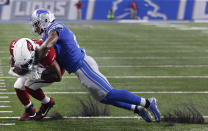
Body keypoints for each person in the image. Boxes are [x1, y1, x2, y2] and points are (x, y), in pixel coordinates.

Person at [30, 9, 160, 122]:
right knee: (103, 98)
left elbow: (48, 45)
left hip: (83, 66)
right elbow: (47, 52)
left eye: (36, 24)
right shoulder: (47, 35)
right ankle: (137, 109)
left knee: (109, 93)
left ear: (44, 20)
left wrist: (36, 59)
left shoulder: (56, 27)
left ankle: (148, 102)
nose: (35, 28)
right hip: (80, 69)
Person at [9, 38, 65, 121]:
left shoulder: (46, 54)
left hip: (49, 71)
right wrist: (13, 67)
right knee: (18, 86)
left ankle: (47, 103)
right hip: (35, 66)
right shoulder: (16, 46)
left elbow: (58, 77)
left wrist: (40, 75)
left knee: (29, 85)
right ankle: (30, 110)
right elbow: (12, 57)